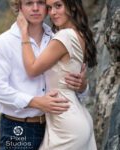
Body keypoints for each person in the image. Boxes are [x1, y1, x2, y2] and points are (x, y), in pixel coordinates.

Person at [0, 0, 88, 149]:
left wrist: (83, 87)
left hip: (55, 126)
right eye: (29, 3)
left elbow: (71, 87)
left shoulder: (57, 39)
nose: (35, 8)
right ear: (19, 7)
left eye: (40, 2)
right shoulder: (3, 43)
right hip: (18, 128)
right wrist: (35, 102)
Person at [17, 0, 97, 149]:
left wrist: (24, 33)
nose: (52, 12)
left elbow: (33, 70)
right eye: (49, 7)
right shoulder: (79, 33)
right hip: (71, 116)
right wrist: (83, 85)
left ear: (72, 6)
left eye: (58, 6)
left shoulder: (64, 36)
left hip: (67, 123)